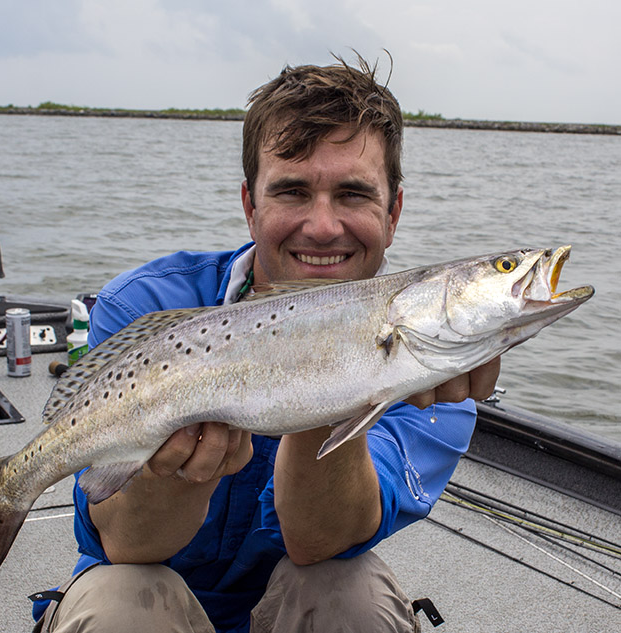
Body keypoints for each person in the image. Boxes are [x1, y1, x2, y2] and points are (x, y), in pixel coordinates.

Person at [33, 55, 500, 633]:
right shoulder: (142, 306)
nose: (324, 227)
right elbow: (125, 544)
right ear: (251, 206)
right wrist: (176, 472)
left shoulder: (439, 370)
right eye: (293, 192)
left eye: (353, 195)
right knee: (119, 599)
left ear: (393, 210)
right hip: (148, 590)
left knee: (348, 592)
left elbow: (317, 543)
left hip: (299, 602)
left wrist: (320, 383)